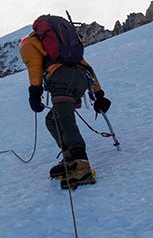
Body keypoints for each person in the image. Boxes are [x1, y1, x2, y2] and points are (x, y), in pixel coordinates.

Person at [19, 15, 113, 189]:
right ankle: (69, 159)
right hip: (80, 79)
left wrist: (34, 93)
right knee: (53, 119)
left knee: (64, 119)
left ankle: (81, 165)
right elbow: (86, 66)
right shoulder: (66, 48)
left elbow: (34, 67)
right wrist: (98, 94)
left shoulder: (28, 44)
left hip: (60, 78)